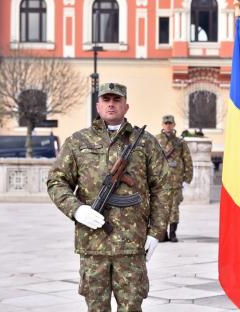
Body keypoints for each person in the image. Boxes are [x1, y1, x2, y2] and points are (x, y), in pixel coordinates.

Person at [47, 82, 170, 312]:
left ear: (126, 106)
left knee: (132, 307)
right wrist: (76, 209)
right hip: (93, 245)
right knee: (96, 307)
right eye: (106, 100)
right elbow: (56, 181)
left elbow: (163, 187)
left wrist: (156, 231)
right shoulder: (78, 141)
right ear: (98, 105)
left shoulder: (144, 142)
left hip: (132, 244)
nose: (111, 105)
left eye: (116, 100)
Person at [155, 115, 193, 242]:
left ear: (174, 125)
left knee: (174, 208)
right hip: (160, 181)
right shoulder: (156, 140)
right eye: (166, 123)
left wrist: (188, 178)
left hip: (176, 180)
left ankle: (172, 234)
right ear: (162, 125)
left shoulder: (180, 142)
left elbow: (187, 160)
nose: (168, 126)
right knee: (161, 208)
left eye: (170, 123)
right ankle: (162, 234)